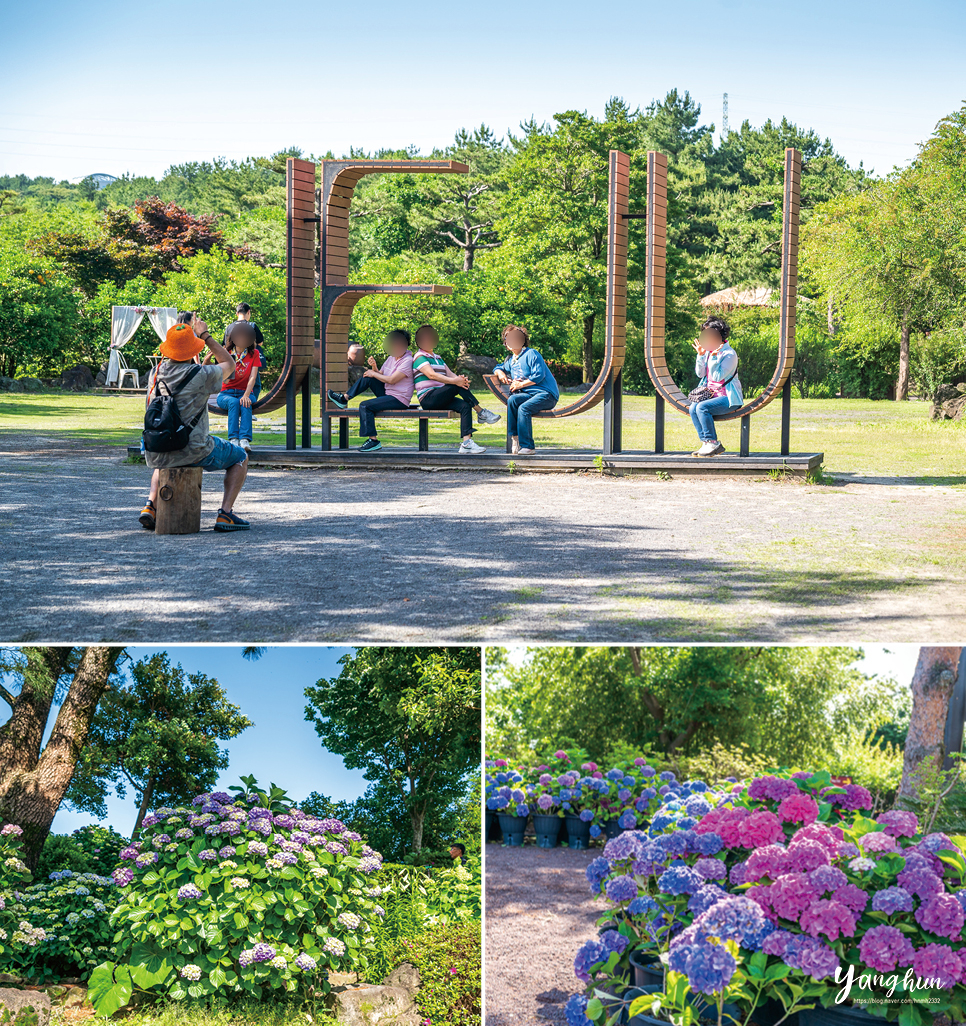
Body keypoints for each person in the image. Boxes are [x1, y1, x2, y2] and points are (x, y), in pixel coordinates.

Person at [138, 320, 251, 532]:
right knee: (240, 457)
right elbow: (229, 364)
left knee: (166, 455)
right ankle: (225, 514)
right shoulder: (199, 374)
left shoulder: (155, 372)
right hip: (195, 450)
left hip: (157, 451)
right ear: (192, 349)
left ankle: (150, 505)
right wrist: (206, 335)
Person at [412, 324, 501, 455]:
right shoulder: (419, 357)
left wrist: (462, 381)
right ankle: (481, 412)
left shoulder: (438, 358)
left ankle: (466, 443)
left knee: (465, 406)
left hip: (441, 396)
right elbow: (432, 375)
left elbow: (450, 375)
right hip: (428, 398)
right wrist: (456, 382)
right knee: (456, 384)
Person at [326, 329, 415, 451]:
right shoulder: (391, 358)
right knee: (367, 377)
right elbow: (381, 374)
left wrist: (374, 374)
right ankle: (344, 399)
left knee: (365, 405)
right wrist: (374, 368)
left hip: (399, 399)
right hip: (387, 393)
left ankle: (373, 441)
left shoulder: (408, 361)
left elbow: (392, 380)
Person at [491, 324, 559, 454]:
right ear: (506, 343)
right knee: (513, 400)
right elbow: (498, 367)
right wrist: (500, 372)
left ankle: (528, 446)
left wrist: (520, 385)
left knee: (523, 408)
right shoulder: (511, 360)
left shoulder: (532, 353)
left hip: (546, 394)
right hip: (528, 395)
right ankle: (515, 438)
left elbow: (539, 375)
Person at [688, 316, 743, 457]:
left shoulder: (729, 354)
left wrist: (713, 357)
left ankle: (713, 442)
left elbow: (718, 377)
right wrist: (701, 356)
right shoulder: (707, 352)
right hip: (711, 396)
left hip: (728, 398)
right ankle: (706, 442)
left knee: (702, 407)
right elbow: (700, 374)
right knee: (693, 407)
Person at [214, 321, 261, 451]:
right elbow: (225, 381)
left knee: (245, 402)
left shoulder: (254, 353)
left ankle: (244, 440)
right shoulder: (226, 352)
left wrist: (246, 395)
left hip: (245, 392)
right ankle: (234, 439)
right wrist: (230, 366)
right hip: (226, 393)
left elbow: (253, 376)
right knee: (234, 402)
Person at [233, 303, 266, 389]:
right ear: (248, 312)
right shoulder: (252, 326)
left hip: (234, 362)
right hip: (250, 361)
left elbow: (225, 346)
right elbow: (260, 342)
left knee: (235, 385)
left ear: (237, 313)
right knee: (256, 385)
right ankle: (250, 401)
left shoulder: (230, 327)